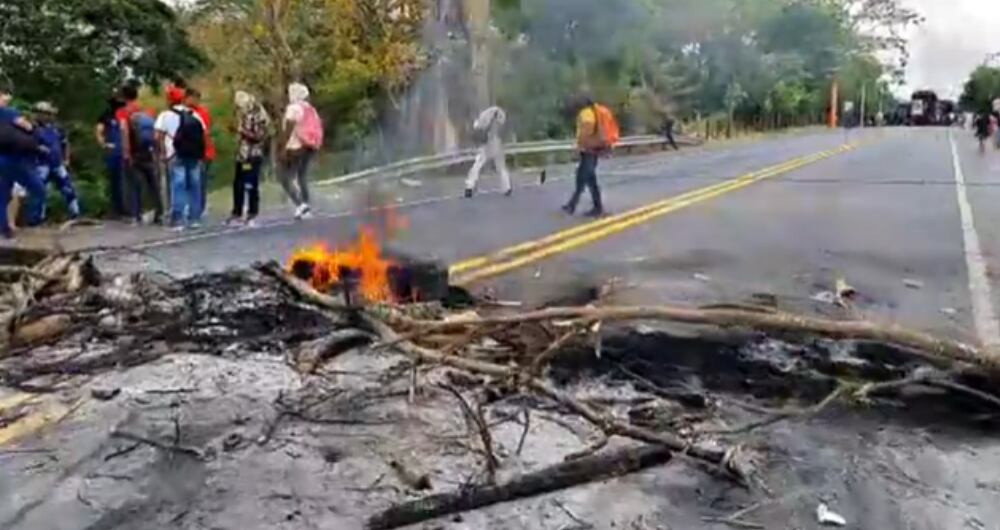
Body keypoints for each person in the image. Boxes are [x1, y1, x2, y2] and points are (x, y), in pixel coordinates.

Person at [155, 87, 207, 230]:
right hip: (194, 155)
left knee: (178, 186)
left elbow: (158, 136)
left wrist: (162, 153)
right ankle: (194, 218)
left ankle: (177, 220)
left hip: (174, 154)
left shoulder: (165, 115)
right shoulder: (195, 115)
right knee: (195, 185)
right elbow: (203, 135)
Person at [0, 88, 47, 238]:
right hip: (15, 158)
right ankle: (32, 219)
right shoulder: (9, 112)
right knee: (38, 189)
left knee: (3, 194)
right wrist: (35, 134)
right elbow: (27, 126)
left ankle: (5, 228)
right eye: (4, 95)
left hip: (2, 158)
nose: (7, 98)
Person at [118, 84, 164, 225]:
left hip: (134, 152)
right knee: (153, 184)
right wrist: (157, 150)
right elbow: (155, 132)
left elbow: (124, 131)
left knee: (134, 184)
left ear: (123, 97)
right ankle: (159, 213)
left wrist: (126, 152)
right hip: (148, 152)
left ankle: (135, 215)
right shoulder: (144, 111)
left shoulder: (123, 112)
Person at [562, 96, 615, 217]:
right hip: (593, 148)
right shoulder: (593, 112)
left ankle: (575, 205)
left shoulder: (586, 114)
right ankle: (593, 207)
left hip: (589, 149)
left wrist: (580, 146)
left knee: (583, 177)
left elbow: (586, 130)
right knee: (589, 178)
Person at [280, 82, 323, 219]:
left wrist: (283, 146)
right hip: (309, 145)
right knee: (301, 175)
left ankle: (300, 205)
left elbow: (289, 126)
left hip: (295, 145)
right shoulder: (310, 109)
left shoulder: (293, 108)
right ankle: (306, 205)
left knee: (283, 176)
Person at [227, 91, 270, 227]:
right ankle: (237, 212)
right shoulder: (242, 115)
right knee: (238, 184)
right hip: (242, 155)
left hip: (252, 156)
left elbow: (258, 136)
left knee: (250, 184)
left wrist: (240, 130)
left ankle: (252, 212)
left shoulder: (257, 115)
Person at [32, 102, 80, 220]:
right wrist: (38, 148)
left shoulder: (57, 128)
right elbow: (27, 143)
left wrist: (66, 159)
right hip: (41, 164)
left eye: (47, 113)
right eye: (42, 113)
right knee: (41, 190)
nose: (45, 116)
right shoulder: (33, 128)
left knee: (67, 188)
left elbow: (65, 143)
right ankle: (38, 217)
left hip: (57, 163)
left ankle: (75, 212)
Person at [465, 105, 511, 198]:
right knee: (501, 166)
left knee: (478, 164)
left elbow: (477, 129)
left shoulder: (484, 115)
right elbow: (501, 129)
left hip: (487, 144)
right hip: (496, 142)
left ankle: (470, 186)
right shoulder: (500, 114)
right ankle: (506, 187)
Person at [95, 93, 127, 218]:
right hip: (113, 152)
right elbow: (98, 132)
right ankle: (116, 209)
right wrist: (104, 145)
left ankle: (125, 208)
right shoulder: (106, 116)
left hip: (124, 150)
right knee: (114, 180)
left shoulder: (124, 115)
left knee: (124, 180)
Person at [187, 88, 216, 219]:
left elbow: (205, 133)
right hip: (194, 152)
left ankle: (199, 208)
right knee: (193, 181)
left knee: (199, 181)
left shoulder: (201, 113)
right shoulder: (188, 112)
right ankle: (194, 208)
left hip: (204, 152)